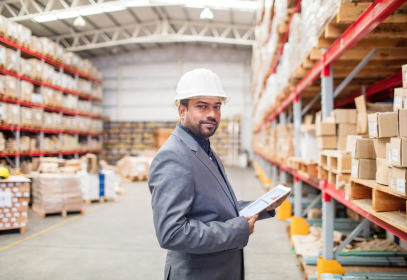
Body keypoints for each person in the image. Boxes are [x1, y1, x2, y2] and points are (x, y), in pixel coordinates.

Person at [148, 69, 289, 280]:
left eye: (217, 106)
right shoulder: (173, 157)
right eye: (202, 106)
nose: (212, 114)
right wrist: (236, 230)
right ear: (182, 111)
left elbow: (215, 208)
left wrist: (262, 206)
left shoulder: (204, 148)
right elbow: (172, 233)